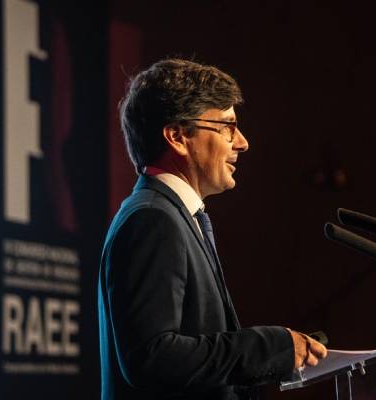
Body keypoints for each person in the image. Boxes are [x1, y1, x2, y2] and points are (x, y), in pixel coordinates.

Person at [97, 58, 327, 400]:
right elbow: (151, 356)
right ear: (177, 136)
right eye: (227, 126)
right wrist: (271, 347)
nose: (242, 142)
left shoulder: (174, 216)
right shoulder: (152, 219)